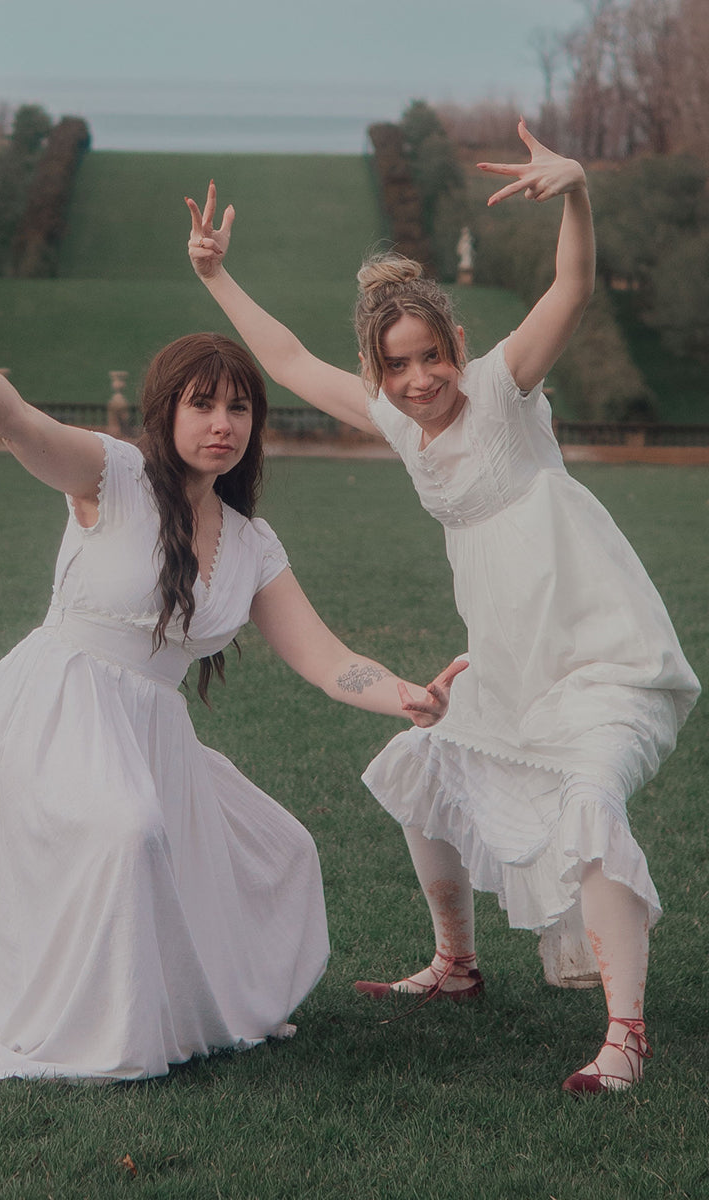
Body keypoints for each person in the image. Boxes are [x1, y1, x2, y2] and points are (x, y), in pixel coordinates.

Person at [185, 119, 700, 1093]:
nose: (419, 379)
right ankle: (456, 965)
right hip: (507, 662)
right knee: (424, 761)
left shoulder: (501, 389)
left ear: (455, 345)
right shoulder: (394, 419)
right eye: (397, 366)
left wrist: (577, 192)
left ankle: (624, 1035)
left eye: (430, 356)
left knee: (588, 801)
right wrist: (215, 275)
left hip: (598, 650)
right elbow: (287, 361)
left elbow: (571, 289)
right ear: (378, 372)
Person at [0, 282, 466, 1083]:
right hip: (57, 710)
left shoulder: (251, 543)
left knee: (283, 847)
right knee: (129, 830)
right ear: (166, 413)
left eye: (239, 408)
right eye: (202, 404)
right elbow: (21, 426)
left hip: (151, 732)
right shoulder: (111, 475)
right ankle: (93, 1029)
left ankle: (190, 1008)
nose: (222, 424)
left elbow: (325, 658)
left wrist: (404, 695)